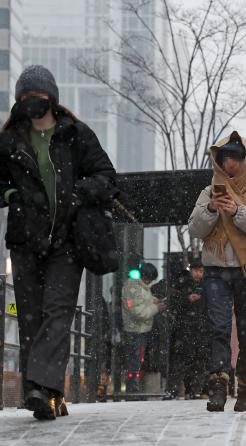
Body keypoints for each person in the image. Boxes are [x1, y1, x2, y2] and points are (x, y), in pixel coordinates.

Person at [0, 65, 116, 420]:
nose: (29, 102)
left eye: (35, 96)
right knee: (31, 319)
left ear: (51, 98)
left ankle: (41, 387)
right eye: (23, 97)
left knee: (57, 313)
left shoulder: (75, 134)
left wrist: (79, 192)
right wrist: (13, 194)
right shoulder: (9, 140)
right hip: (25, 241)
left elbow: (107, 177)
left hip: (67, 241)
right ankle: (44, 391)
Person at [188, 130, 246, 413]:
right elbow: (195, 229)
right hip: (216, 270)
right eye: (225, 159)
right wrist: (213, 209)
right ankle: (217, 386)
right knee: (218, 328)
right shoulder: (208, 191)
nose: (231, 165)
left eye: (237, 159)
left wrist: (238, 210)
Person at [163, 258, 208, 400]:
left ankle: (194, 390)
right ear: (191, 270)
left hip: (199, 328)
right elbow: (172, 301)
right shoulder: (182, 283)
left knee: (198, 360)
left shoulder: (207, 286)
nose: (198, 274)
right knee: (180, 360)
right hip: (184, 328)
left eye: (201, 271)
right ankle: (173, 390)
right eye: (196, 270)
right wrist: (186, 299)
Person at [121, 262, 165, 394]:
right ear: (146, 277)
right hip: (135, 330)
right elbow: (137, 312)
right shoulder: (133, 287)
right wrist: (156, 307)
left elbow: (143, 301)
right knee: (134, 360)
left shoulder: (141, 286)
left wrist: (154, 300)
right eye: (150, 279)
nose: (150, 282)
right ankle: (132, 389)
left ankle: (133, 387)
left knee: (137, 359)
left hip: (141, 330)